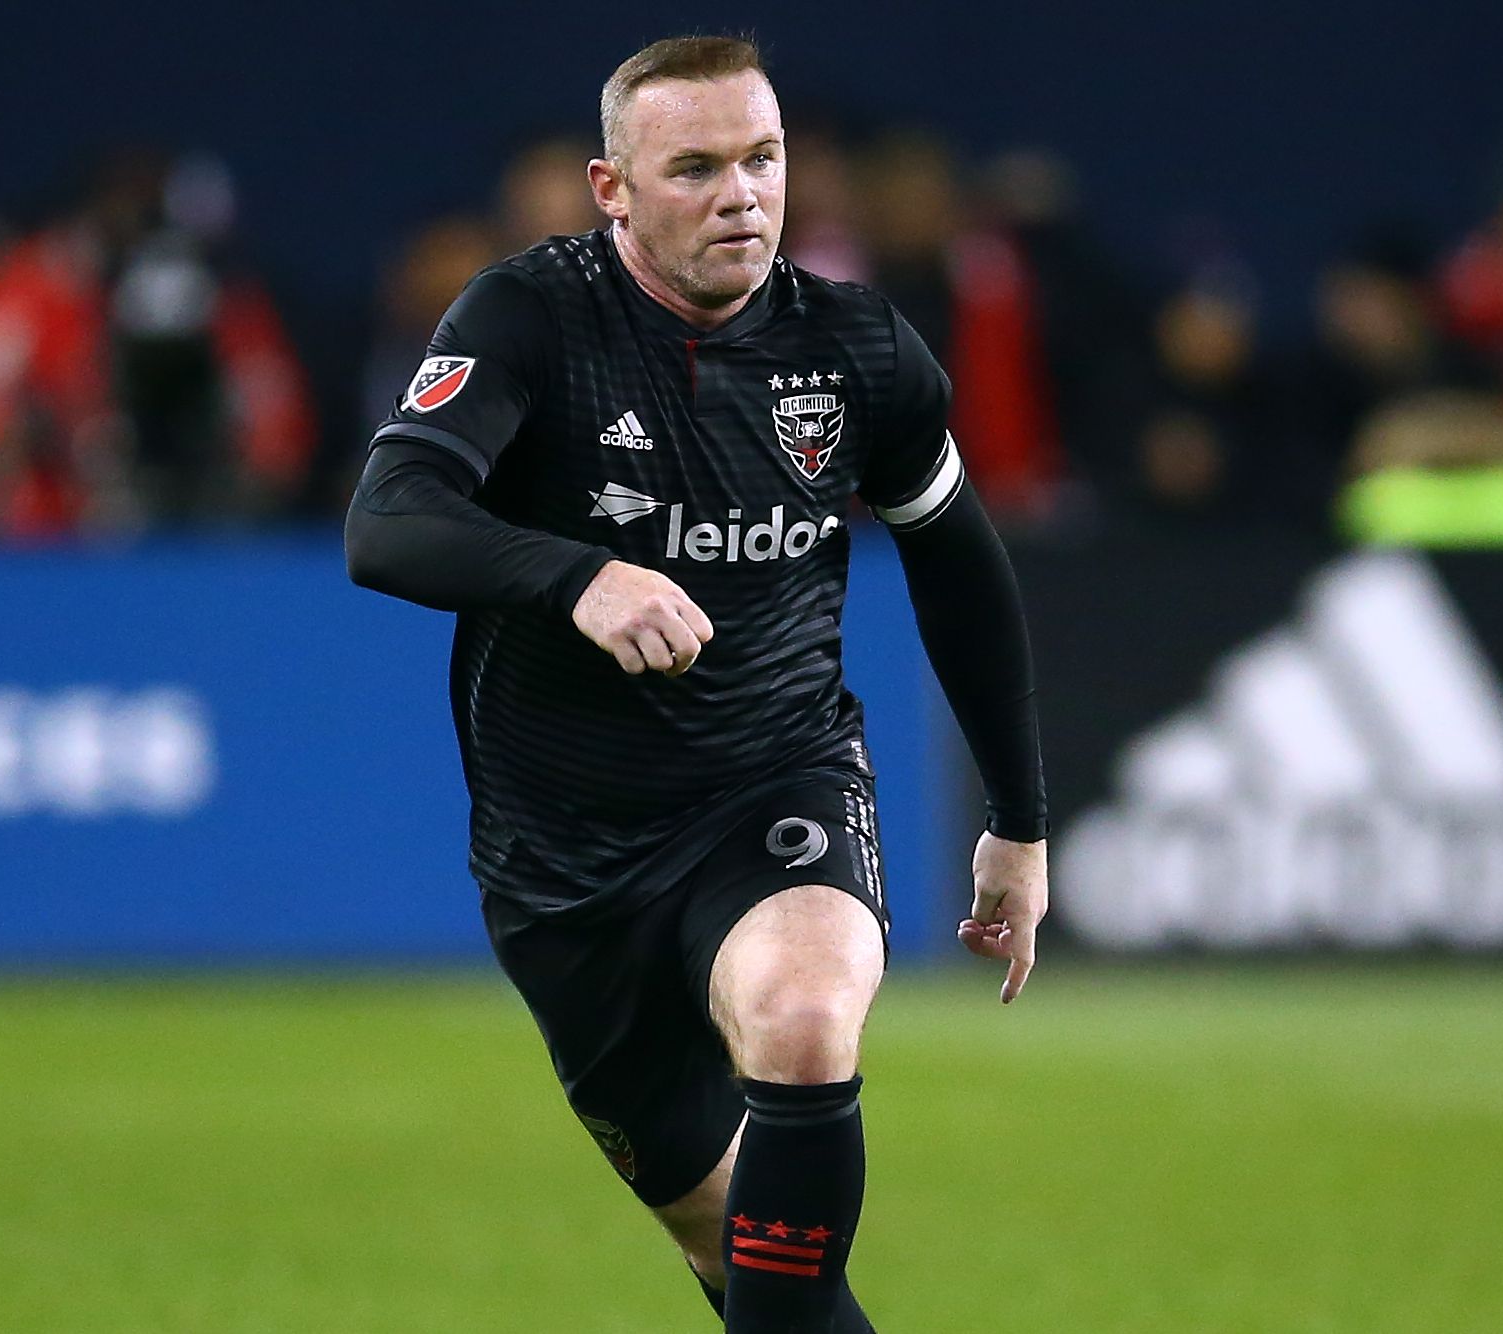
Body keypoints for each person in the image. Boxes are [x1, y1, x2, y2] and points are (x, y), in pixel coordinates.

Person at [343, 35, 1048, 1332]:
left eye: (765, 159)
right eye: (699, 167)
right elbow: (388, 524)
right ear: (612, 190)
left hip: (773, 780)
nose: (743, 195)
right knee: (753, 1260)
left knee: (801, 1016)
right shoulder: (527, 322)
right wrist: (576, 577)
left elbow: (959, 564)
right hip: (565, 861)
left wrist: (1019, 814)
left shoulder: (853, 349)